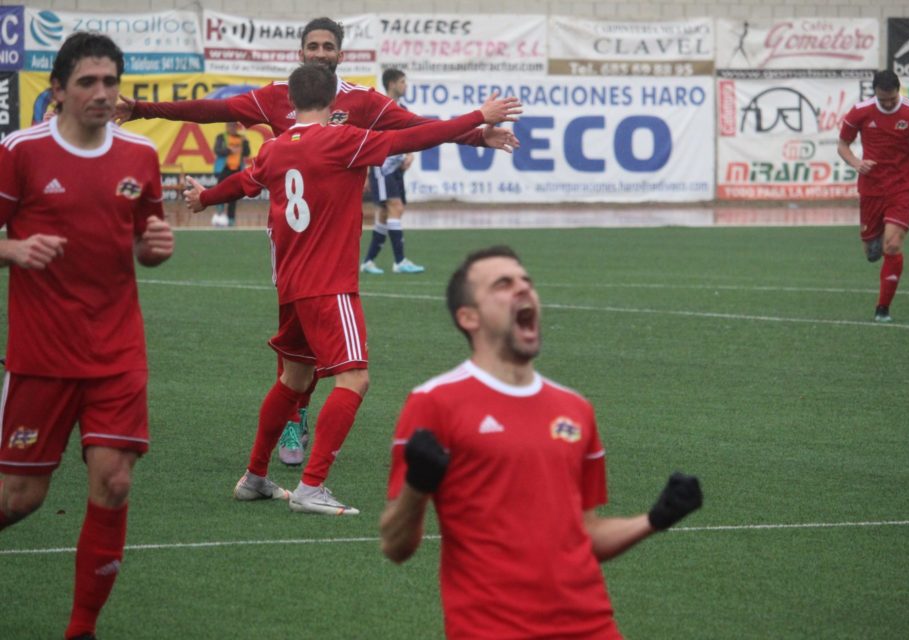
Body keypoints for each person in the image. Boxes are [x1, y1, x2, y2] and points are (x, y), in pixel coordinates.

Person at [116, 17, 521, 467]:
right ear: (301, 52)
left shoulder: (363, 102)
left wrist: (477, 137)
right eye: (314, 45)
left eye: (329, 46)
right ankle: (298, 419)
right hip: (289, 240)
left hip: (328, 236)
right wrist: (146, 110)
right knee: (309, 345)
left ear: (341, 54)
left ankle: (272, 446)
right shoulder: (277, 95)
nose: (321, 52)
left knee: (300, 342)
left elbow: (414, 126)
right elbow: (214, 111)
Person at [182, 66, 520, 515]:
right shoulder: (344, 139)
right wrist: (478, 117)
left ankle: (255, 477)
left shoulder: (276, 148)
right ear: (332, 101)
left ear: (293, 101)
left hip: (292, 286)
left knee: (293, 380)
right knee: (354, 378)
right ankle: (310, 487)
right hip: (329, 286)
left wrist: (204, 199)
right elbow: (416, 137)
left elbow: (245, 183)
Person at [379, 246, 703, 639]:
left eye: (526, 281)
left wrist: (653, 520)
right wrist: (418, 486)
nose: (523, 289)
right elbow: (395, 545)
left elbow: (584, 536)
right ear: (469, 317)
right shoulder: (433, 403)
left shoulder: (576, 408)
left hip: (593, 626)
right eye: (504, 283)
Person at [0, 32, 174, 640]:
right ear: (58, 90)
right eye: (88, 83)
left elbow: (145, 242)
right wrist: (14, 248)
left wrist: (154, 248)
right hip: (40, 355)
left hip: (117, 350)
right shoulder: (20, 151)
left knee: (116, 481)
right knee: (18, 499)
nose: (102, 94)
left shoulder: (139, 157)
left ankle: (81, 629)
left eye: (110, 82)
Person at [838, 70, 909, 323]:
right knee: (872, 253)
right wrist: (856, 163)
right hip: (872, 189)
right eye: (882, 100)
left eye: (892, 99)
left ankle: (882, 309)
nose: (887, 104)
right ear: (875, 92)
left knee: (892, 246)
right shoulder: (860, 111)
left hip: (901, 188)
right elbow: (842, 145)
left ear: (898, 91)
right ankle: (880, 236)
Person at [360, 69, 421, 275]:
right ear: (392, 84)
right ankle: (400, 261)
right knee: (396, 207)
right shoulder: (379, 108)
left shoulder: (403, 108)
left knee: (385, 214)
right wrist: (367, 169)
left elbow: (410, 135)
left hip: (396, 168)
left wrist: (410, 154)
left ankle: (368, 262)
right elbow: (368, 139)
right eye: (403, 82)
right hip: (382, 167)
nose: (406, 86)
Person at [211, 122, 251, 227]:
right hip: (224, 169)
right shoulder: (221, 137)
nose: (232, 128)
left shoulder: (242, 138)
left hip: (237, 169)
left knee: (234, 194)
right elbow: (217, 150)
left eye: (234, 126)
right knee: (220, 190)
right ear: (227, 126)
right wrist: (229, 150)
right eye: (230, 126)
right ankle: (219, 212)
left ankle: (231, 219)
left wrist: (246, 144)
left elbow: (247, 153)